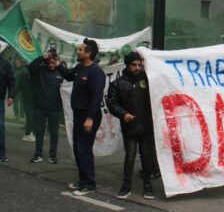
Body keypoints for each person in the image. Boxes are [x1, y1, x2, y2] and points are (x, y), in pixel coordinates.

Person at [55, 38, 105, 196]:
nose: (78, 51)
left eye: (81, 49)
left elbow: (96, 96)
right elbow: (69, 76)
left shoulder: (96, 72)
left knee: (84, 149)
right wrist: (57, 64)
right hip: (78, 115)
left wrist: (90, 118)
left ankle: (89, 184)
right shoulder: (79, 68)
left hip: (89, 116)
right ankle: (83, 180)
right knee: (78, 148)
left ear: (89, 53)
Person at [106, 51, 155, 200]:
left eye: (140, 64)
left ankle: (147, 186)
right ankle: (126, 186)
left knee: (147, 158)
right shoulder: (118, 84)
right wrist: (123, 114)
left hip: (146, 127)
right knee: (130, 157)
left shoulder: (149, 80)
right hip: (130, 128)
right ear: (127, 65)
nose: (137, 67)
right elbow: (112, 103)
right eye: (134, 64)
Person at [27, 53, 63, 164]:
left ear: (57, 61)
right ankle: (38, 155)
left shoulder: (61, 72)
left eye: (54, 62)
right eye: (49, 62)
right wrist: (42, 57)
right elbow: (30, 67)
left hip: (55, 108)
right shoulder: (41, 70)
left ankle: (53, 156)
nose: (51, 64)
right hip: (40, 107)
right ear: (47, 61)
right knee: (39, 132)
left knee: (54, 133)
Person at [0, 54, 15, 162]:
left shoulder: (5, 64)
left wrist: (11, 96)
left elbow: (11, 80)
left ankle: (1, 154)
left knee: (0, 127)